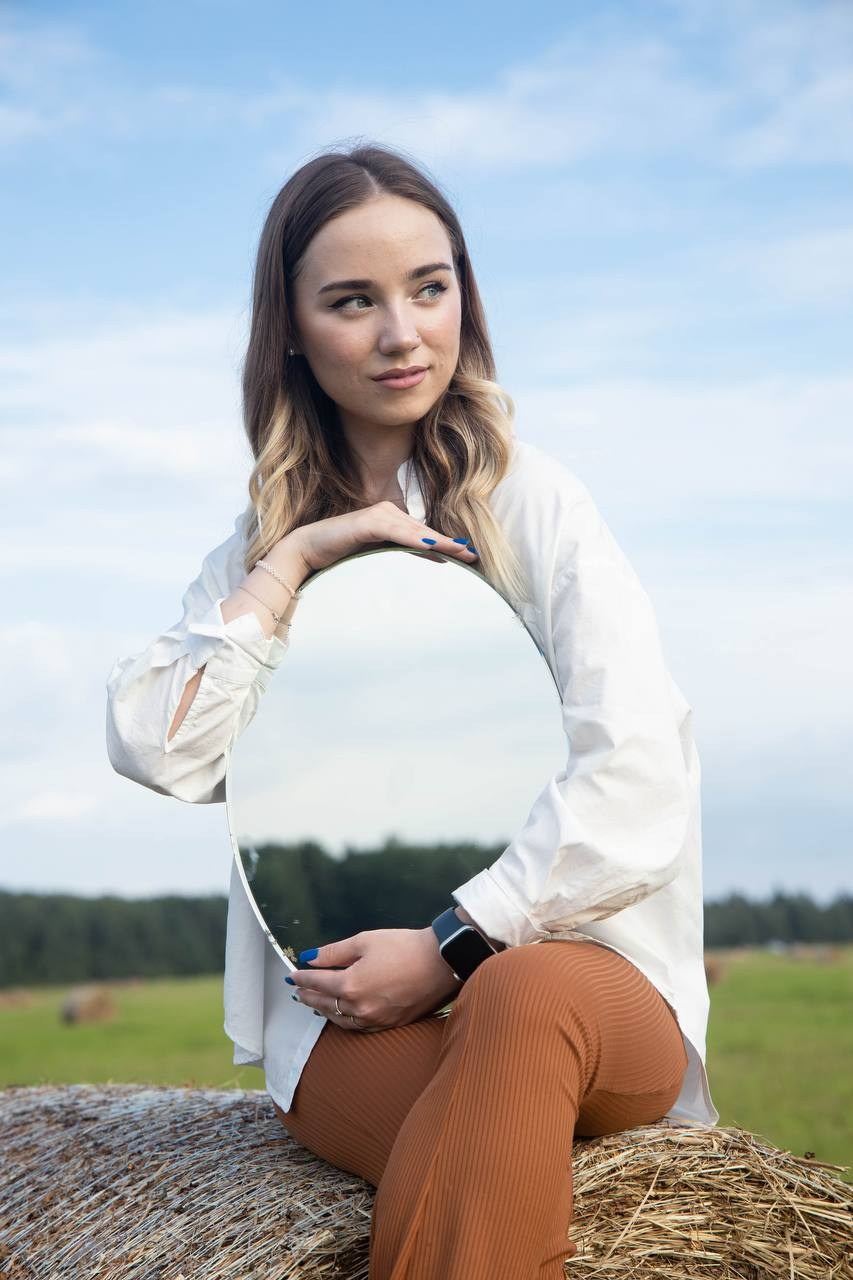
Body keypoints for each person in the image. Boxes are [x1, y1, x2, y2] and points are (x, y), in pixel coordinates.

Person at [106, 141, 717, 1280]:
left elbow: (637, 769)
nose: (403, 333)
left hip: (583, 994)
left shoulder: (536, 503)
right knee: (478, 1167)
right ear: (287, 325)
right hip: (348, 1015)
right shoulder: (255, 546)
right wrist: (288, 565)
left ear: (463, 296)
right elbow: (157, 746)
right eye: (353, 301)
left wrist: (451, 944)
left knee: (522, 996)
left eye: (430, 288)